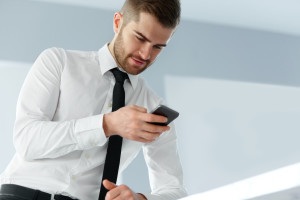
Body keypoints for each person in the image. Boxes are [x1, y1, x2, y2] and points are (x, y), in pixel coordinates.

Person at [0, 0, 187, 199]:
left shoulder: (153, 110)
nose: (146, 54)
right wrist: (107, 124)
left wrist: (142, 199)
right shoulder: (59, 62)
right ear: (118, 23)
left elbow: (175, 191)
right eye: (140, 38)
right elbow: (27, 141)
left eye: (158, 47)